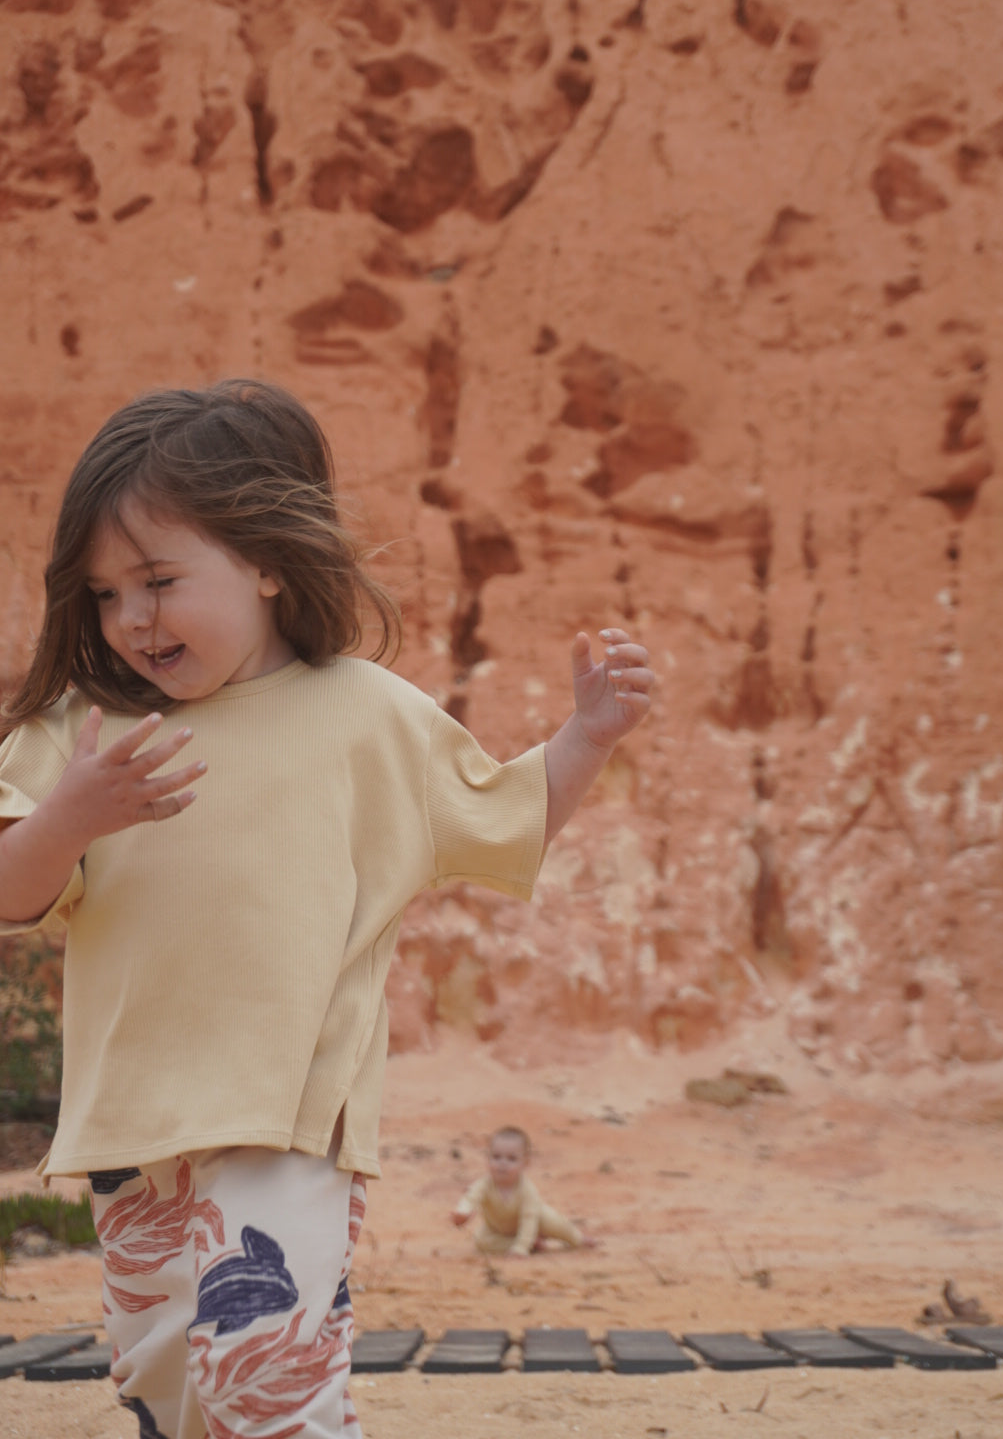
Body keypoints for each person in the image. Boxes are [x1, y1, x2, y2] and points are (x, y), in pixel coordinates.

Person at [0, 379, 653, 1439]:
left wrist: (588, 737)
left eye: (160, 579)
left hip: (287, 1114)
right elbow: (12, 892)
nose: (132, 618)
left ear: (265, 562)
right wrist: (70, 815)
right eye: (106, 593)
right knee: (170, 1387)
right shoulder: (86, 729)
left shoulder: (364, 713)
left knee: (265, 1369)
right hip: (133, 1122)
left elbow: (505, 815)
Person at [451, 1125, 596, 1256]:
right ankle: (532, 1244)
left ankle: (578, 1239)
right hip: (499, 1231)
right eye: (496, 1157)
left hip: (536, 1222)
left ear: (525, 1163)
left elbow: (529, 1220)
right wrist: (463, 1213)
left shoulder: (527, 1190)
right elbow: (470, 1199)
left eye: (511, 1159)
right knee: (480, 1241)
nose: (503, 1163)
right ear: (487, 1159)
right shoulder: (484, 1184)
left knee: (556, 1223)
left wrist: (520, 1248)